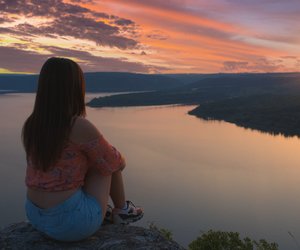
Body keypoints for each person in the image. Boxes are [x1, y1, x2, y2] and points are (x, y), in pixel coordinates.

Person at [22, 57, 144, 242]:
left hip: (34, 213)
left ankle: (115, 210)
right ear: (74, 89)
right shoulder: (78, 126)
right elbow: (114, 162)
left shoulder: (31, 125)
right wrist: (119, 159)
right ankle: (123, 210)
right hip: (71, 223)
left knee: (89, 158)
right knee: (104, 160)